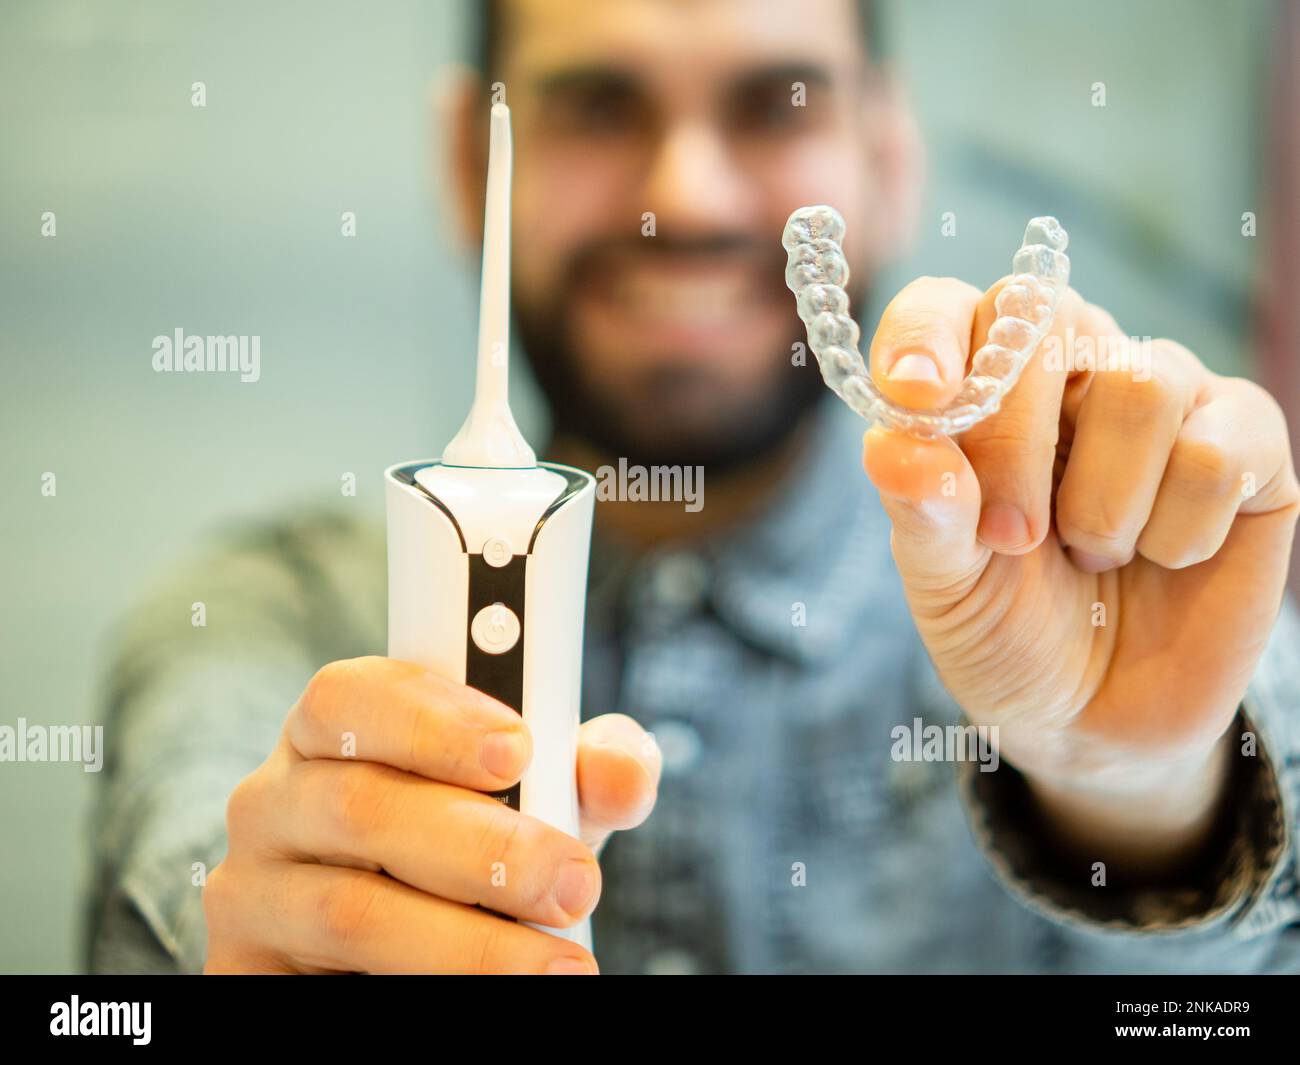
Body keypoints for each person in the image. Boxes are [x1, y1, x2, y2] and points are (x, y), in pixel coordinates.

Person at [87, 0, 1300, 975]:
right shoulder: (258, 624)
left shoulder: (1103, 589)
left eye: (773, 107)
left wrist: (1137, 789)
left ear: (887, 158)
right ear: (470, 162)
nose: (692, 197)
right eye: (598, 108)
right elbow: (181, 882)